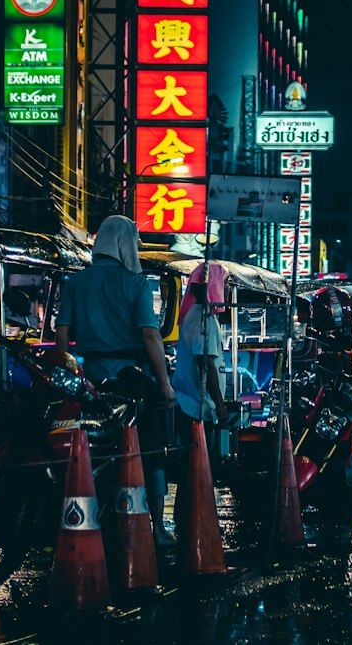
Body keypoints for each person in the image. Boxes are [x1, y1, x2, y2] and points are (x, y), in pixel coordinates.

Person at [55, 214, 176, 545]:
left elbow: (62, 335)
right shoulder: (136, 283)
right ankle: (158, 527)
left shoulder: (75, 283)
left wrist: (68, 375)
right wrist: (164, 385)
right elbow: (151, 336)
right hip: (130, 382)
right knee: (151, 449)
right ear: (125, 244)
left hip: (89, 381)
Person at [172, 262, 230, 446]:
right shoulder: (203, 318)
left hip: (190, 406)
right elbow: (205, 364)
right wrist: (220, 406)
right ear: (214, 285)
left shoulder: (195, 315)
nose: (227, 289)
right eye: (225, 283)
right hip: (196, 409)